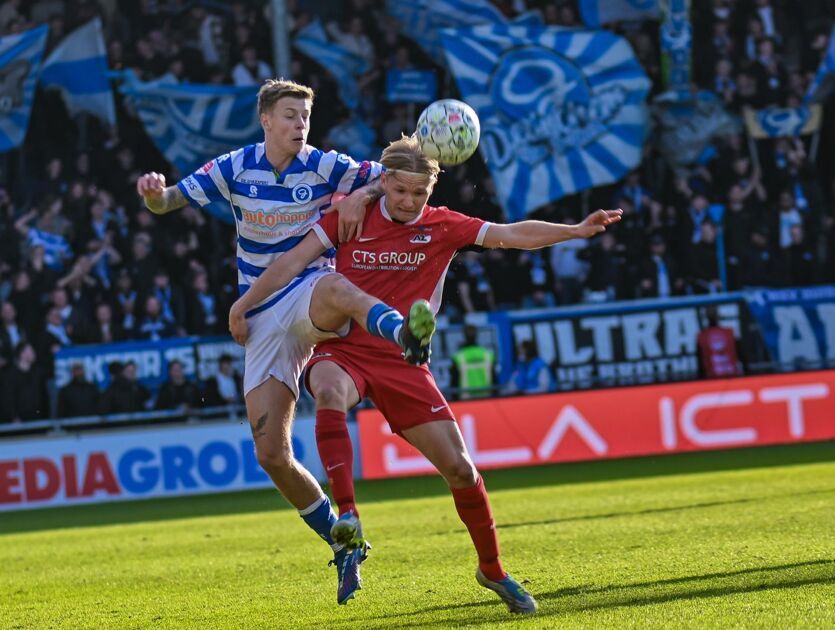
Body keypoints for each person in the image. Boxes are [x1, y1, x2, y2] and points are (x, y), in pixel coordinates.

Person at [228, 133, 623, 614]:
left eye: (419, 192)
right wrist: (245, 304)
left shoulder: (443, 225)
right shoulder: (351, 217)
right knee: (328, 390)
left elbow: (512, 233)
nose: (409, 201)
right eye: (400, 190)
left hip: (403, 362)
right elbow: (290, 262)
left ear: (431, 190)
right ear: (385, 182)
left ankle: (492, 569)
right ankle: (348, 515)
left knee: (461, 470)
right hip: (344, 348)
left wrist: (575, 230)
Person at [136, 78, 436, 605]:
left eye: (306, 116)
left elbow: (391, 179)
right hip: (261, 313)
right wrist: (154, 194)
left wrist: (360, 195)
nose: (301, 125)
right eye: (291, 116)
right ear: (266, 121)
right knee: (272, 454)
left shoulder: (323, 164)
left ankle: (405, 332)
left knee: (334, 285)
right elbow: (168, 203)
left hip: (308, 290)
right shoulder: (234, 167)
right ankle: (343, 541)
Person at [450, 324, 496, 400]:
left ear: (464, 336)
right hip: (487, 399)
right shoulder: (487, 355)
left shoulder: (458, 357)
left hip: (465, 401)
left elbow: (454, 383)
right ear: (477, 335)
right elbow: (495, 381)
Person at [696, 306, 743, 378]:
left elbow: (740, 353)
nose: (712, 314)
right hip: (712, 378)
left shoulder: (729, 333)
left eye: (713, 312)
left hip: (731, 376)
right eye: (710, 312)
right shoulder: (702, 336)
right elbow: (700, 361)